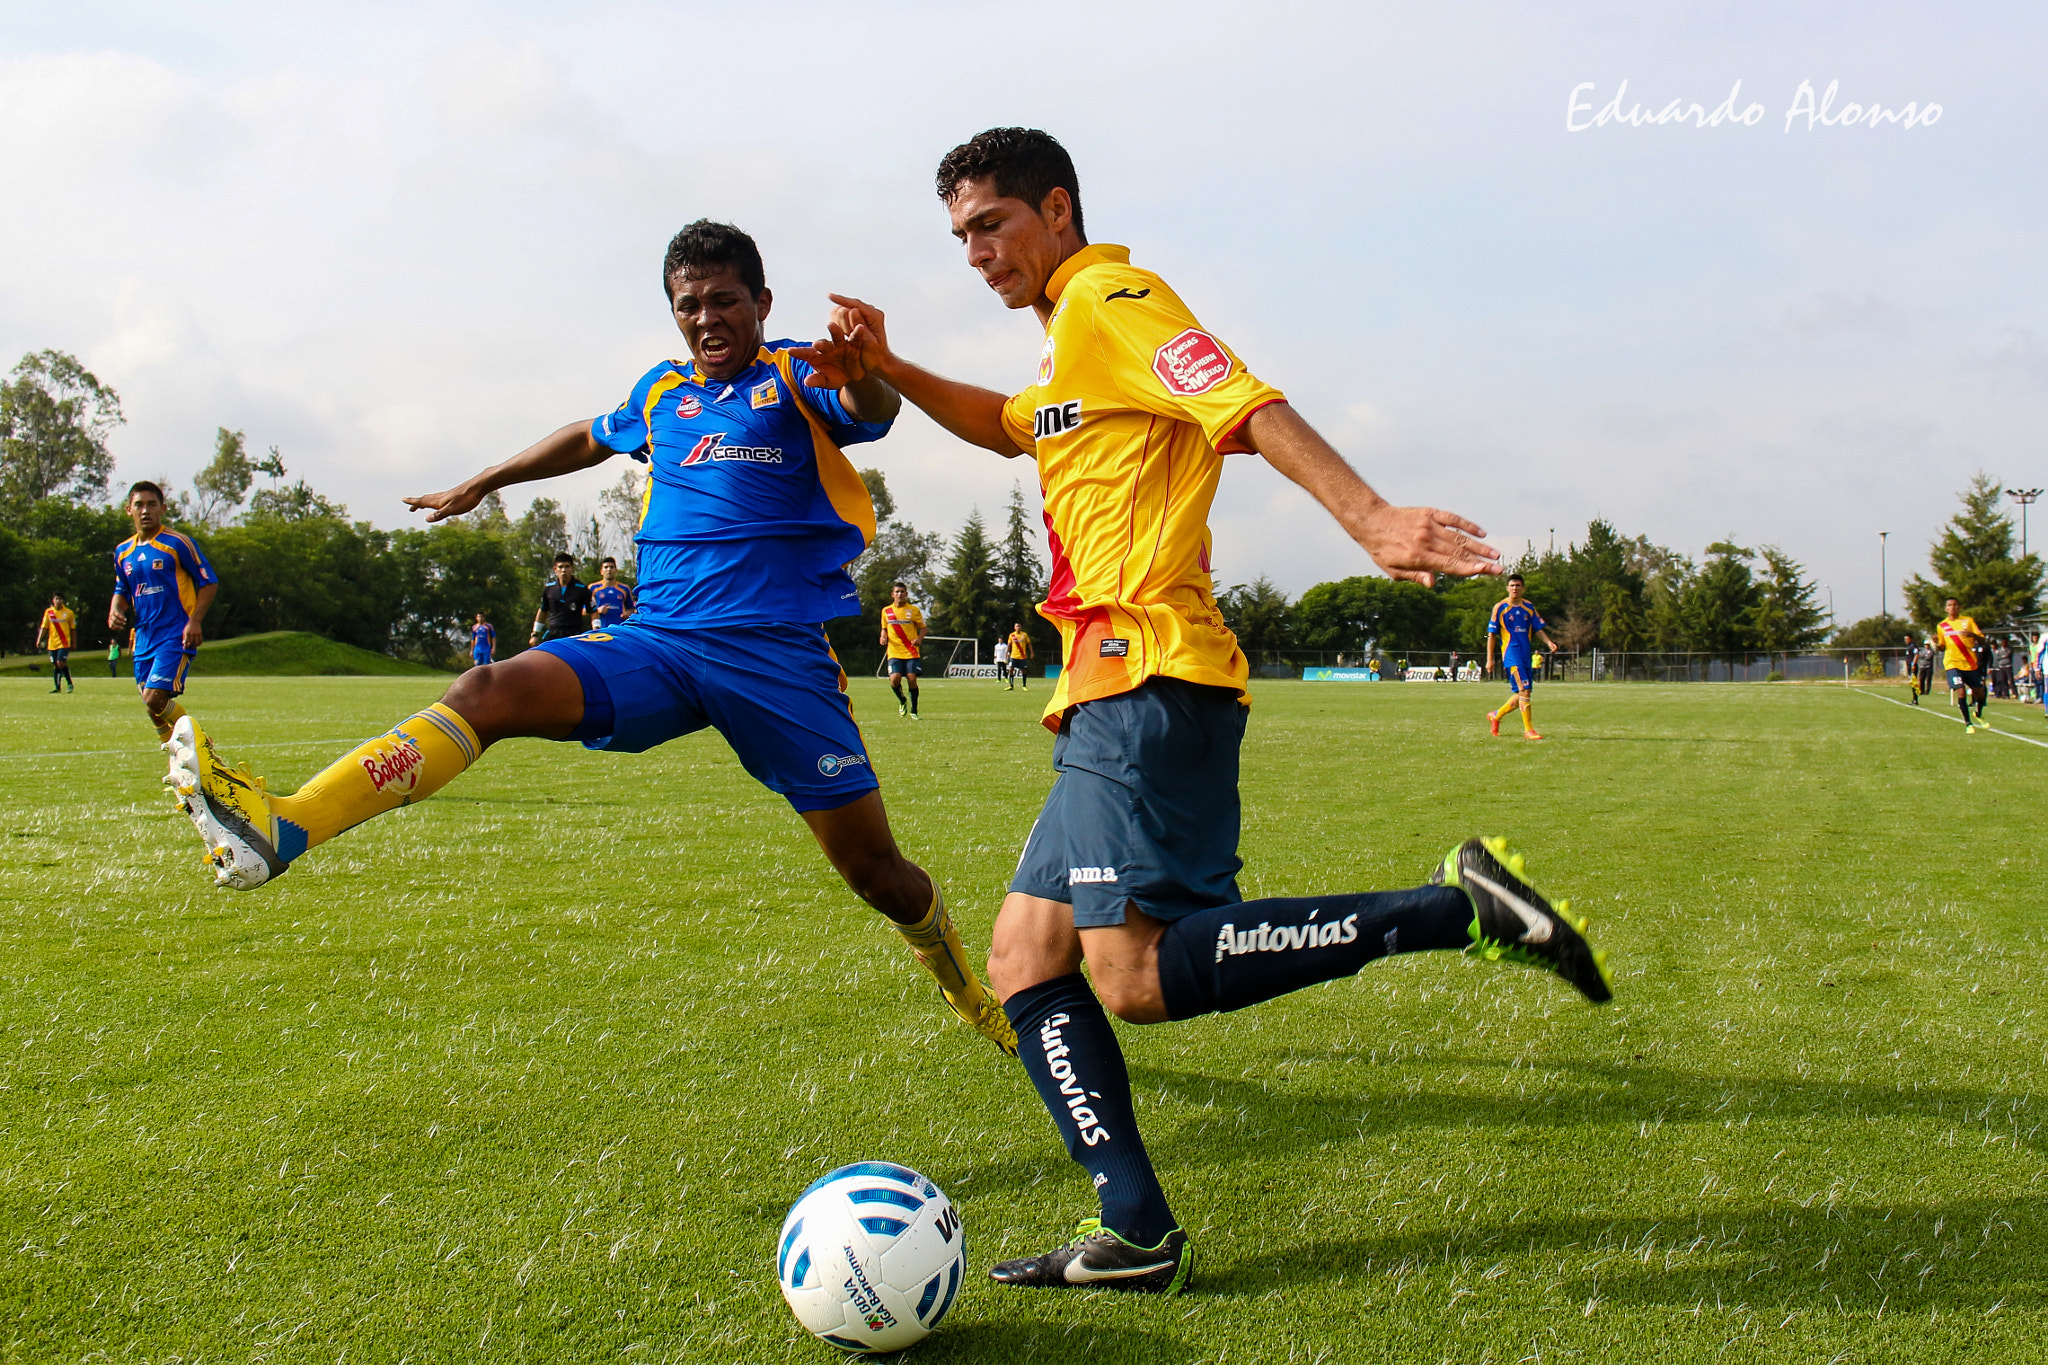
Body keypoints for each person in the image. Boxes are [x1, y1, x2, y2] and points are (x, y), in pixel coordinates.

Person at [800, 127, 1612, 1294]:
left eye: (993, 224)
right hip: (1102, 689)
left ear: (1057, 209)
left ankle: (1455, 910)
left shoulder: (1114, 298)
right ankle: (1135, 1234)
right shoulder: (1067, 352)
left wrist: (1367, 514)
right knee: (1026, 959)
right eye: (961, 235)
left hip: (1149, 678)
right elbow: (1011, 426)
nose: (977, 252)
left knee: (1126, 977)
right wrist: (893, 366)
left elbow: (1239, 399)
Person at [162, 219, 1016, 1059]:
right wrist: (485, 480)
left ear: (761, 302)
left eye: (724, 301)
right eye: (689, 306)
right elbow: (585, 435)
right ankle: (286, 827)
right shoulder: (661, 393)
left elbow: (873, 408)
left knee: (878, 875)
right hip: (661, 646)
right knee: (486, 691)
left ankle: (964, 986)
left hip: (776, 663)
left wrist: (870, 371)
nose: (707, 318)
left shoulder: (797, 373)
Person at [109, 481, 219, 740]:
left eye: (151, 504)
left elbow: (208, 581)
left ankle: (202, 744)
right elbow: (122, 589)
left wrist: (195, 621)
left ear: (163, 508)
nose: (145, 510)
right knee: (153, 709)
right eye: (139, 505)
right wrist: (116, 608)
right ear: (129, 510)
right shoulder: (123, 552)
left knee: (154, 698)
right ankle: (180, 764)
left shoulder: (177, 543)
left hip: (175, 634)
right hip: (144, 637)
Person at [1484, 573, 1559, 740]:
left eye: (1518, 585)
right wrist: (1489, 659)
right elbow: (1491, 635)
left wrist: (1548, 642)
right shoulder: (1500, 608)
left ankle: (1496, 715)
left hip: (1526, 655)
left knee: (1523, 694)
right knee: (1524, 690)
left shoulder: (1528, 607)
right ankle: (1528, 730)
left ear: (1523, 588)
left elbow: (1537, 628)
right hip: (1512, 655)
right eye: (1512, 585)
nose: (1515, 588)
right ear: (1507, 588)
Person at [1935, 597, 1988, 732]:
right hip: (1952, 663)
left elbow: (1982, 640)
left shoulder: (1968, 621)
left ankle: (1978, 713)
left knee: (1980, 693)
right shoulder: (1942, 626)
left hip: (1969, 663)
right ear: (1946, 608)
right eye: (1949, 605)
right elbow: (1942, 647)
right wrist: (1936, 643)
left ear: (1959, 607)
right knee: (1961, 692)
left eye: (1955, 605)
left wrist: (1972, 635)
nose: (1952, 607)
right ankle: (1968, 723)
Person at [880, 581, 925, 718]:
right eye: (897, 592)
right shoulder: (886, 611)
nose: (899, 594)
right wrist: (883, 636)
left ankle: (914, 710)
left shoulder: (913, 610)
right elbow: (884, 627)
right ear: (893, 594)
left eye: (902, 592)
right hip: (894, 651)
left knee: (912, 679)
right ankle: (902, 700)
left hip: (911, 651)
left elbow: (923, 627)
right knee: (895, 679)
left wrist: (919, 639)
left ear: (906, 594)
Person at [530, 553, 593, 645]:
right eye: (560, 567)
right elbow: (543, 611)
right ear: (555, 569)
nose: (563, 570)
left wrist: (596, 630)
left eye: (567, 567)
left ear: (572, 568)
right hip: (554, 632)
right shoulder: (549, 588)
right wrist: (535, 634)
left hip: (574, 633)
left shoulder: (581, 589)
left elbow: (593, 611)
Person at [36, 592, 77, 694]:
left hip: (64, 642)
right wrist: (39, 639)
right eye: (56, 599)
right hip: (52, 643)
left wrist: (74, 642)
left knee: (60, 662)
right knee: (56, 665)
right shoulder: (48, 612)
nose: (58, 601)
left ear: (63, 601)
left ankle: (69, 683)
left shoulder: (69, 613)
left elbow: (73, 629)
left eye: (60, 599)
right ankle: (57, 687)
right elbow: (44, 627)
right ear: (53, 600)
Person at [590, 557, 637, 628]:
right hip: (600, 628)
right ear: (601, 571)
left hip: (619, 628)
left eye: (612, 567)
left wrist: (628, 614)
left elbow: (632, 609)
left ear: (616, 570)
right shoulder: (593, 588)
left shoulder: (624, 588)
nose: (609, 570)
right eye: (606, 567)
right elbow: (583, 610)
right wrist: (598, 610)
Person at [1006, 621, 1033, 689]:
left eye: (1019, 626)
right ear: (1014, 627)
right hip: (1013, 656)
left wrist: (1032, 652)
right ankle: (1011, 685)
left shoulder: (1024, 635)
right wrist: (1006, 653)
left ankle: (1024, 685)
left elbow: (1029, 643)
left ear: (1021, 627)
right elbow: (1009, 645)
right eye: (1016, 626)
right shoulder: (1011, 635)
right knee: (1011, 670)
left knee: (1023, 670)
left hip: (1022, 656)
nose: (1018, 627)